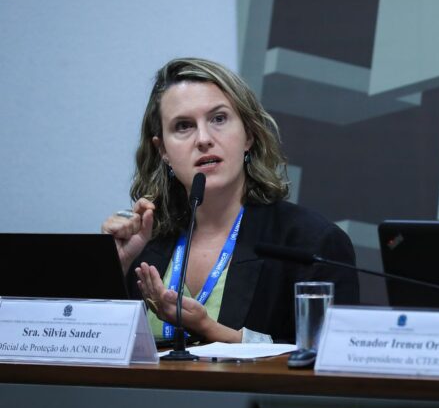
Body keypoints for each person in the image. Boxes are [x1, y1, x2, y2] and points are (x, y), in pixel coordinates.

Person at [102, 57, 359, 344]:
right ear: (162, 150)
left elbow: (329, 360)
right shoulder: (145, 243)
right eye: (183, 126)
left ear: (248, 134)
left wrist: (211, 329)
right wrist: (114, 265)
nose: (203, 139)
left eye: (219, 119)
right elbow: (83, 346)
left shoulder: (310, 242)